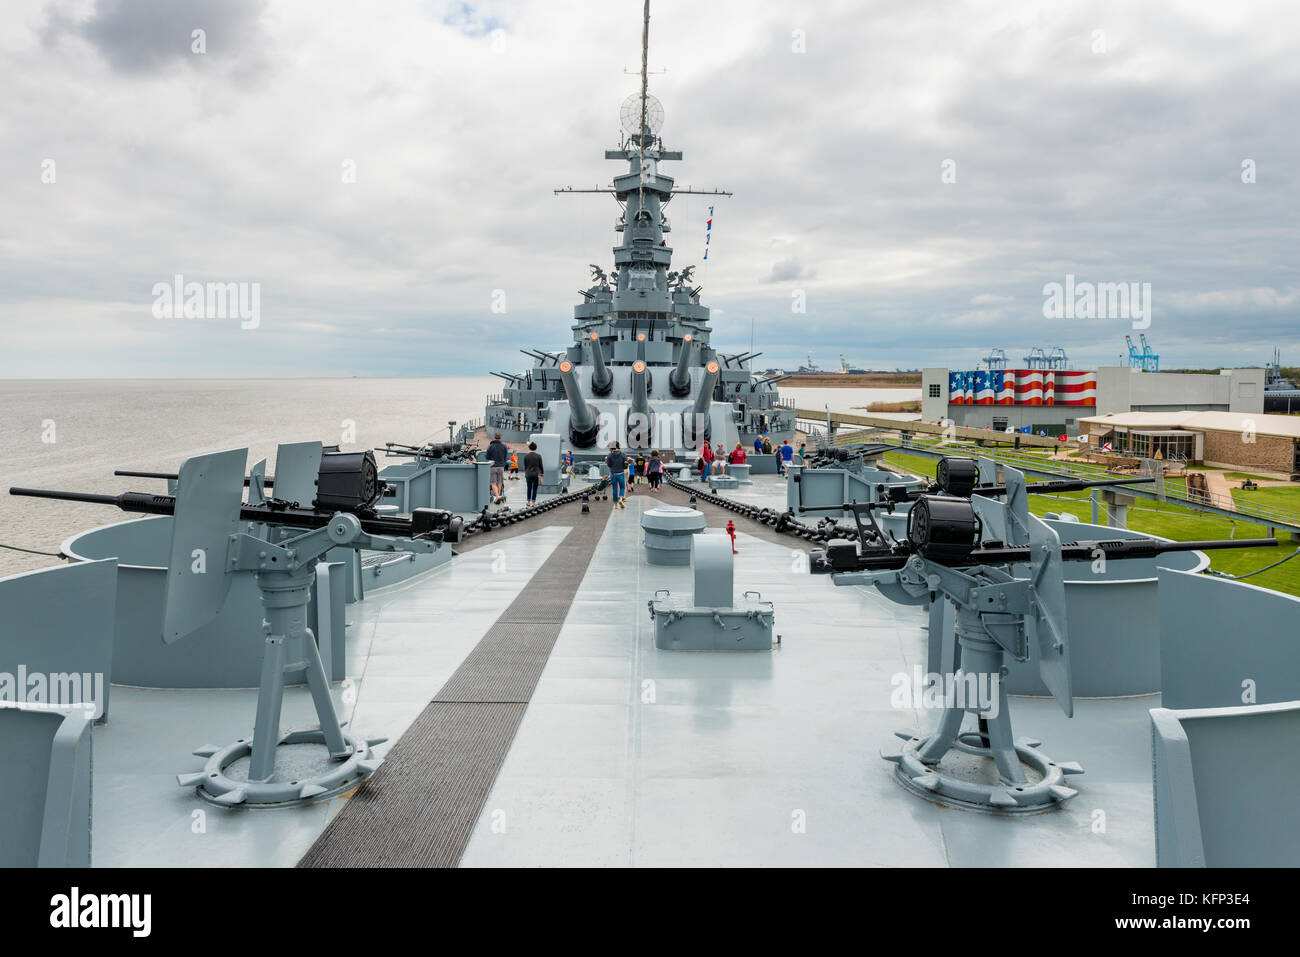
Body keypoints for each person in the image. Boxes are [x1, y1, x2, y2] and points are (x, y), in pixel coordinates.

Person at [486, 431, 509, 502]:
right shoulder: (504, 446)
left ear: (494, 437)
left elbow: (487, 456)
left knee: (493, 483)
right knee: (499, 482)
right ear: (500, 438)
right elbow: (505, 457)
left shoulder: (490, 446)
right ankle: (498, 496)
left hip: (493, 466)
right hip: (501, 467)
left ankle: (497, 496)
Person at [606, 442, 627, 509]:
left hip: (613, 474)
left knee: (615, 489)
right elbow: (625, 465)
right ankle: (621, 499)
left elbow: (609, 465)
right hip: (621, 473)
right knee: (622, 487)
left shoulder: (609, 455)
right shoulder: (623, 454)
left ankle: (615, 505)